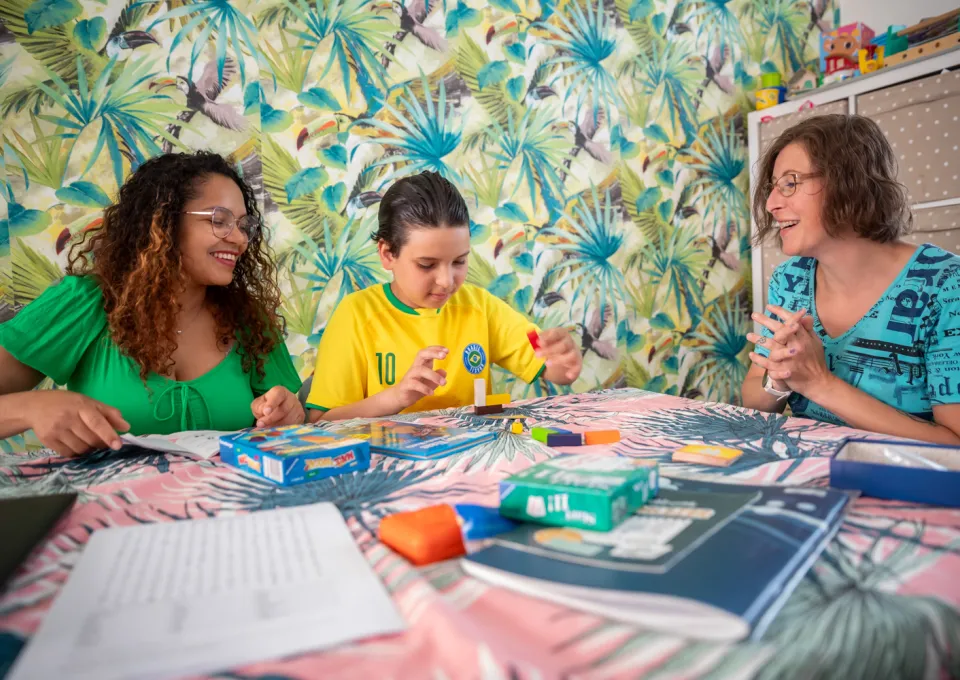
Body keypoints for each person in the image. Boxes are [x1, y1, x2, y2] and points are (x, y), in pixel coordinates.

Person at [0, 151, 304, 457]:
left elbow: (289, 418)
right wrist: (31, 407)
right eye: (219, 220)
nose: (239, 239)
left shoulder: (249, 318)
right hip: (108, 504)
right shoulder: (86, 303)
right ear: (163, 222)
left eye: (243, 225)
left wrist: (288, 412)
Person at [742, 113, 960, 444]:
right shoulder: (789, 280)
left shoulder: (946, 287)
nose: (771, 204)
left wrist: (819, 384)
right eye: (773, 187)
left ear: (850, 183)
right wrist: (779, 380)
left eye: (791, 183)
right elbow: (754, 401)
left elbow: (954, 446)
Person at [306, 171, 582, 421]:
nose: (447, 281)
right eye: (427, 265)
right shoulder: (356, 315)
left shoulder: (481, 308)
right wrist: (396, 397)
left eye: (459, 262)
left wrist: (564, 361)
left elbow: (551, 366)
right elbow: (322, 422)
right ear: (388, 254)